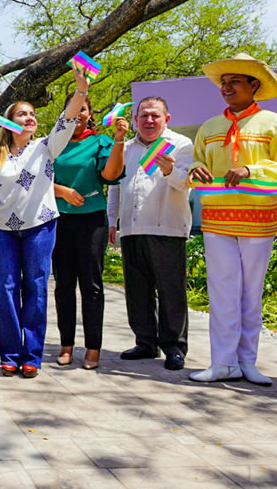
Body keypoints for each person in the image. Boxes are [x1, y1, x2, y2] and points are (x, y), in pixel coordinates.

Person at [188, 53, 277, 385]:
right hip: (216, 218)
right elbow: (196, 167)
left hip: (258, 216)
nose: (226, 87)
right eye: (223, 82)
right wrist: (195, 170)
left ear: (254, 85)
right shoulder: (210, 127)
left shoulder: (275, 124)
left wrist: (252, 169)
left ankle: (248, 361)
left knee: (250, 293)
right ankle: (222, 363)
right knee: (222, 291)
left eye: (234, 81)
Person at [0, 68, 85, 378]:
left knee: (35, 288)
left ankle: (32, 356)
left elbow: (66, 121)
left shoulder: (45, 147)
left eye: (32, 114)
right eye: (22, 114)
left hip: (40, 227)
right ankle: (10, 354)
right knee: (6, 289)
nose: (29, 118)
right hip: (3, 232)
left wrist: (81, 90)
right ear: (9, 122)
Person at [106, 96, 194, 371]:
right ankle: (145, 341)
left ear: (167, 118)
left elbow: (186, 182)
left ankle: (174, 347)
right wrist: (112, 220)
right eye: (143, 115)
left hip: (167, 227)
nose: (149, 120)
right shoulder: (127, 147)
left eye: (155, 115)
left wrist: (169, 169)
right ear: (135, 119)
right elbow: (116, 185)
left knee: (170, 291)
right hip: (132, 228)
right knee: (137, 289)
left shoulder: (179, 144)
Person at [52, 91, 128, 370]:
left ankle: (93, 348)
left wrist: (118, 140)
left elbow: (110, 175)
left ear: (90, 114)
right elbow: (36, 181)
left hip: (91, 221)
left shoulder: (100, 141)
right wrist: (61, 192)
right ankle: (66, 344)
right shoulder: (52, 145)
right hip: (59, 221)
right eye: (73, 110)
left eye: (83, 109)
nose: (78, 114)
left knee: (91, 286)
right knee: (63, 286)